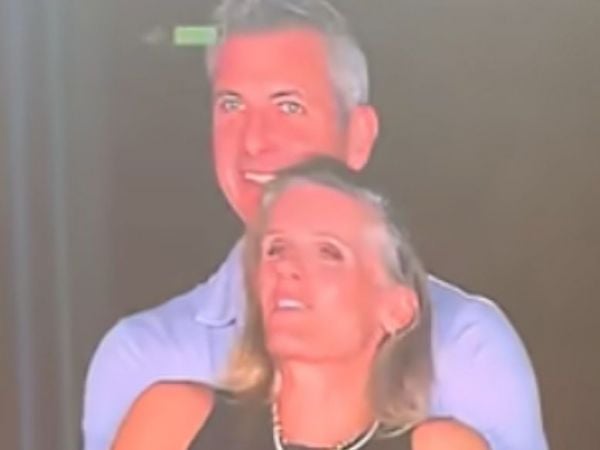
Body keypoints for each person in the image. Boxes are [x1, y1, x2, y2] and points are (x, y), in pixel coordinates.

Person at [83, 1, 547, 449]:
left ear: (359, 135)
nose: (254, 141)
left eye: (288, 106)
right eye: (231, 105)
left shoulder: (466, 343)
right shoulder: (145, 360)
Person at [111, 159, 489, 450]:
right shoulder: (176, 421)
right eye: (276, 249)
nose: (287, 267)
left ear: (397, 310)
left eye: (328, 252)